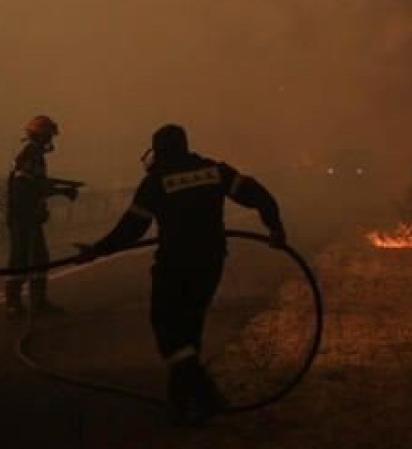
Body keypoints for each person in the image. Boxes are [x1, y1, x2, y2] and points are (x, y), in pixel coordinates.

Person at [79, 124, 287, 425]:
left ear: (159, 151)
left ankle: (203, 393)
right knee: (189, 330)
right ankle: (182, 405)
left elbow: (131, 230)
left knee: (166, 329)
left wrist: (97, 250)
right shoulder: (214, 171)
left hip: (174, 265)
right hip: (211, 263)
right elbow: (260, 196)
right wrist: (276, 228)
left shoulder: (156, 182)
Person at [4, 115, 80, 317]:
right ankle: (14, 302)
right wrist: (62, 191)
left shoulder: (33, 155)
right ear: (39, 135)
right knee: (20, 258)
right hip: (22, 218)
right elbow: (29, 187)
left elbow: (36, 183)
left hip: (29, 216)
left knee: (38, 258)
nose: (50, 140)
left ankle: (38, 301)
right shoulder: (30, 156)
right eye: (48, 135)